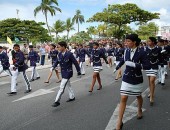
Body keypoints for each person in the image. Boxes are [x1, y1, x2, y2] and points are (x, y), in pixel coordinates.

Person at [114, 34, 150, 130]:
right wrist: (117, 67)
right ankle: (119, 121)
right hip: (127, 77)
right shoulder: (126, 50)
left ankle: (139, 109)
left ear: (134, 42)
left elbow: (147, 66)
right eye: (126, 41)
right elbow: (123, 59)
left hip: (137, 78)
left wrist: (135, 65)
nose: (126, 43)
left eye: (128, 41)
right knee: (123, 97)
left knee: (138, 95)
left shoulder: (142, 52)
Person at [52, 41, 81, 107]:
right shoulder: (59, 54)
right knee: (68, 85)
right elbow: (57, 61)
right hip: (63, 72)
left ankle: (57, 101)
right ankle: (72, 97)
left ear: (63, 47)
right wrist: (53, 67)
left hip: (68, 72)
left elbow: (75, 63)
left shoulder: (69, 54)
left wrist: (78, 71)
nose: (57, 48)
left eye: (58, 47)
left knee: (61, 87)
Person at [144, 37, 161, 106]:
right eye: (148, 41)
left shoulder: (158, 49)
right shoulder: (145, 48)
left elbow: (160, 57)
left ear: (153, 42)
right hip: (148, 67)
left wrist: (161, 63)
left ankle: (151, 96)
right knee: (149, 81)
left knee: (152, 80)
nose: (148, 42)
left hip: (154, 66)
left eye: (149, 41)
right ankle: (151, 92)